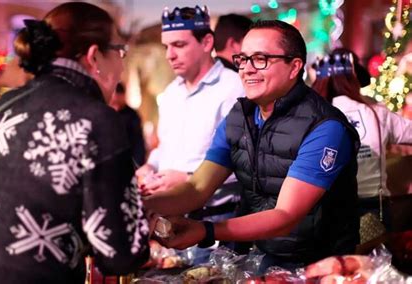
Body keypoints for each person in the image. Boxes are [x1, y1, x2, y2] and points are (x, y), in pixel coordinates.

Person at [0, 2, 149, 283]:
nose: (122, 67)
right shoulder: (96, 120)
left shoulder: (1, 107)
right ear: (94, 56)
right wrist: (141, 208)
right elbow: (121, 254)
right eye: (120, 52)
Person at [143, 20, 360, 273]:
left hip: (324, 264)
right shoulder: (239, 117)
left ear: (294, 67)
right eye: (242, 59)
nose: (246, 69)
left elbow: (285, 216)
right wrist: (142, 207)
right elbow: (197, 187)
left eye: (260, 59)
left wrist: (206, 231)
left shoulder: (325, 127)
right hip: (262, 258)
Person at [136, 5, 244, 264]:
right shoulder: (172, 92)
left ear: (207, 42)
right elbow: (166, 146)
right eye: (166, 47)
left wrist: (186, 178)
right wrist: (149, 166)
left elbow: (244, 160)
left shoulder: (233, 87)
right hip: (169, 217)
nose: (170, 55)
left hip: (217, 218)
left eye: (179, 45)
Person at [311, 49, 412, 234]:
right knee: (375, 262)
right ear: (353, 78)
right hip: (373, 210)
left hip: (325, 212)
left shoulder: (309, 116)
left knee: (334, 263)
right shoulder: (377, 113)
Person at [109, 82, 146, 166]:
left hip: (128, 160)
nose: (116, 106)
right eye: (114, 102)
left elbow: (138, 142)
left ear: (123, 96)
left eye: (118, 101)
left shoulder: (132, 115)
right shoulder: (106, 112)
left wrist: (138, 164)